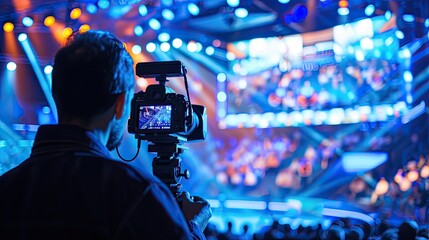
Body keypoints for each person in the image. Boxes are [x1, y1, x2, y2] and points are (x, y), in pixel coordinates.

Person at [0, 30, 211, 239]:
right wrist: (192, 227)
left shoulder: (6, 187)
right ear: (120, 103)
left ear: (56, 95)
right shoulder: (134, 193)